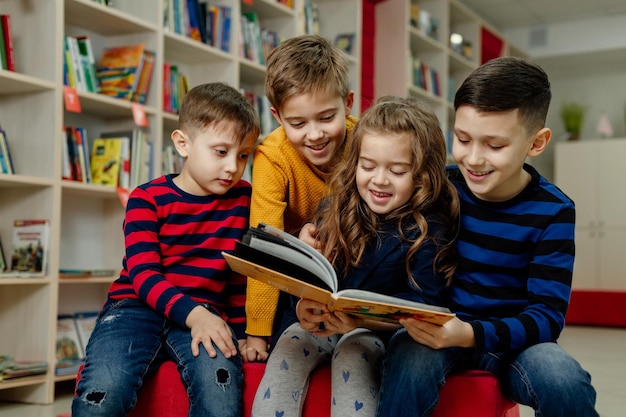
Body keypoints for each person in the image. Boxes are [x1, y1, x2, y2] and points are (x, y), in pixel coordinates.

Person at [376, 57, 599, 417]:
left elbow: (547, 316)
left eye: (494, 146)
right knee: (409, 358)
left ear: (537, 143)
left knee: (565, 380)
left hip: (515, 343)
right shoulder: (440, 185)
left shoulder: (554, 211)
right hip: (437, 331)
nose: (474, 159)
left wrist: (470, 334)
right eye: (462, 139)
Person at [252, 96, 460, 417]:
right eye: (367, 166)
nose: (379, 180)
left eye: (398, 170)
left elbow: (425, 305)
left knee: (352, 352)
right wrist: (303, 304)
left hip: (373, 333)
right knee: (291, 344)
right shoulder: (335, 207)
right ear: (355, 163)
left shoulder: (429, 228)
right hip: (322, 323)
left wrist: (359, 320)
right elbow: (316, 276)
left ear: (421, 174)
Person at [72, 82, 260, 417]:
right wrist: (196, 315)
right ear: (183, 143)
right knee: (103, 394)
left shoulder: (244, 200)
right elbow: (144, 276)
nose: (233, 166)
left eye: (243, 155)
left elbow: (238, 278)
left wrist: (245, 332)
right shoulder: (147, 199)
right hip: (135, 308)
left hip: (206, 313)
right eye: (221, 151)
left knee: (220, 397)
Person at [244, 34, 358, 362]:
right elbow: (263, 246)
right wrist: (256, 333)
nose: (315, 134)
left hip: (354, 266)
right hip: (294, 276)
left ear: (348, 103)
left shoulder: (365, 141)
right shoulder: (272, 156)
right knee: (288, 346)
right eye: (298, 123)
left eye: (326, 118)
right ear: (278, 117)